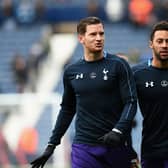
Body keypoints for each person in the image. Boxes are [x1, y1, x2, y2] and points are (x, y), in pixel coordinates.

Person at [30, 16, 138, 168]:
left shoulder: (119, 65)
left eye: (101, 33)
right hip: (84, 148)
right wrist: (51, 145)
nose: (99, 38)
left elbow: (131, 102)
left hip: (116, 146)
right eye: (93, 34)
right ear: (81, 38)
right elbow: (67, 109)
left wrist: (118, 130)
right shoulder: (71, 71)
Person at [132, 21, 168, 168]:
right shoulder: (137, 74)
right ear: (151, 44)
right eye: (160, 41)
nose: (165, 45)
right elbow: (123, 110)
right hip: (151, 150)